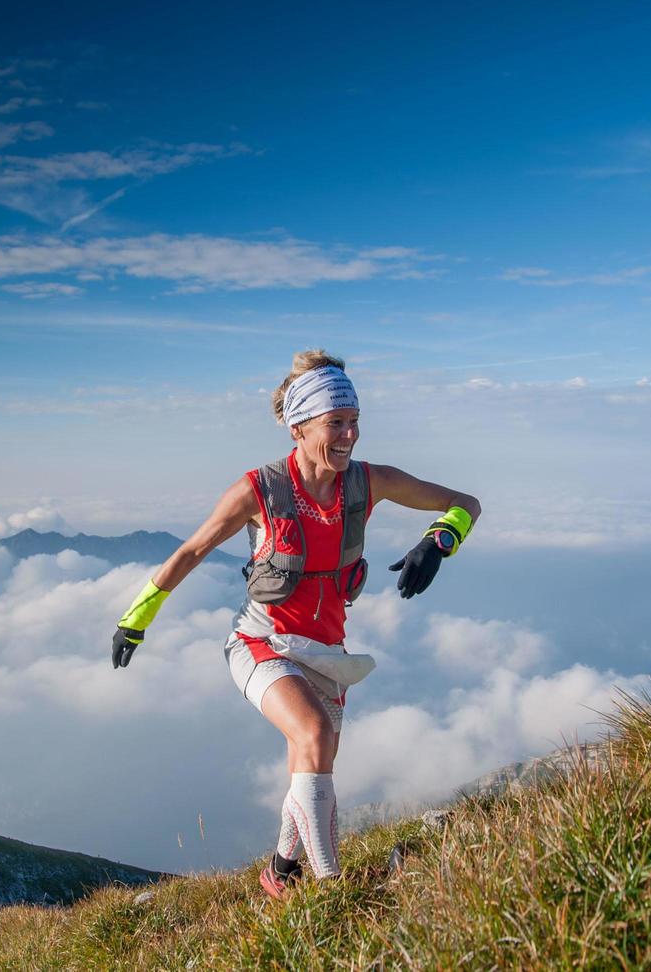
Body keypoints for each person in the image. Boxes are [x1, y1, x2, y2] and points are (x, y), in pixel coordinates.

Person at [110, 350, 482, 899]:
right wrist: (135, 619)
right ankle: (336, 891)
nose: (351, 435)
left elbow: (465, 501)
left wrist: (440, 539)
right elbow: (191, 551)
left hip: (326, 650)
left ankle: (282, 875)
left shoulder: (368, 482)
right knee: (314, 733)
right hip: (259, 642)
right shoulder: (258, 490)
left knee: (314, 762)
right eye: (337, 423)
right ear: (299, 426)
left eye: (355, 422)